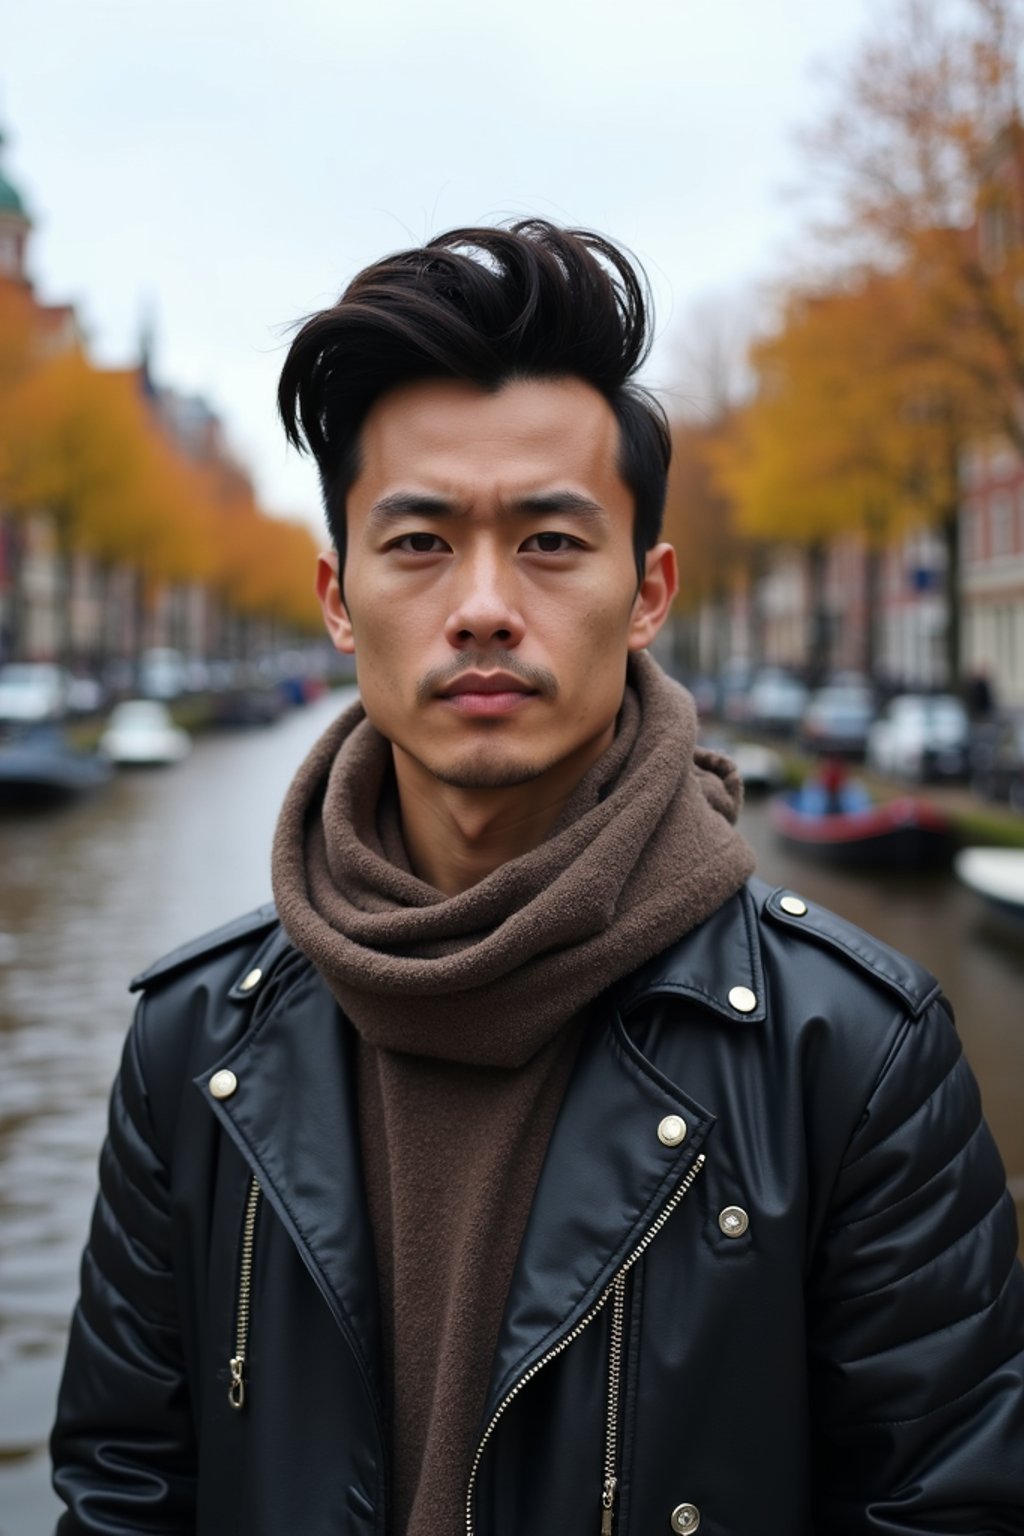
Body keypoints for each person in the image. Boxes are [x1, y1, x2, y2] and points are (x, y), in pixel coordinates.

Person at [51, 222, 1024, 1536]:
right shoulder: (190, 1044)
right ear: (338, 598)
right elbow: (122, 1497)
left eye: (553, 542)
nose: (485, 605)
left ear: (648, 593)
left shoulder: (856, 1058)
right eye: (420, 544)